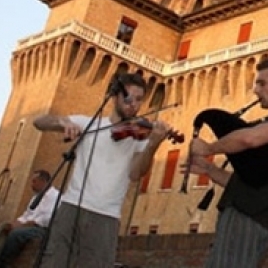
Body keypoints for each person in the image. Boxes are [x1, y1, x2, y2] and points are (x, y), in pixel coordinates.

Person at [33, 72, 172, 268]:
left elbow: (135, 174)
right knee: (53, 262)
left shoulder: (139, 136)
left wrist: (153, 145)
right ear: (115, 97)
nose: (134, 104)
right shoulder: (89, 124)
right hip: (71, 208)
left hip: (106, 216)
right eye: (129, 97)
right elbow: (39, 122)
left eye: (139, 99)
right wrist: (63, 122)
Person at [186, 57, 268, 268]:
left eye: (262, 83)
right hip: (244, 217)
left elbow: (249, 139)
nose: (256, 90)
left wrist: (210, 148)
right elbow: (247, 185)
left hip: (249, 220)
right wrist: (208, 169)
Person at [0, 169, 59, 267]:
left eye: (34, 181)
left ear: (43, 181)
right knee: (1, 231)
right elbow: (27, 215)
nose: (31, 184)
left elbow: (49, 218)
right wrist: (14, 223)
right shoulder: (35, 197)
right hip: (29, 227)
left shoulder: (55, 197)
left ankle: (0, 263)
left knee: (16, 234)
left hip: (42, 229)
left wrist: (30, 223)